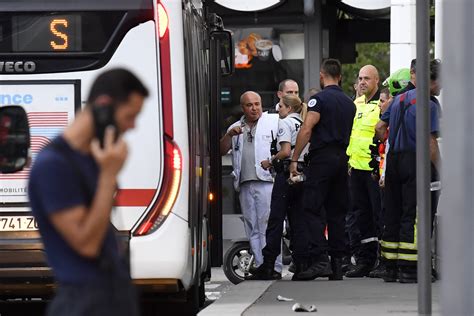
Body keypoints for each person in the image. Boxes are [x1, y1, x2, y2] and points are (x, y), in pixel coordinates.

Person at [28, 68, 149, 316]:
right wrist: (108, 176)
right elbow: (86, 244)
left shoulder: (94, 158)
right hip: (84, 303)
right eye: (130, 116)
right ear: (104, 106)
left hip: (110, 297)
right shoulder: (53, 166)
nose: (132, 126)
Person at [375, 60, 441, 283]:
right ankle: (410, 268)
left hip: (394, 160)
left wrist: (393, 141)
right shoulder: (429, 104)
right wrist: (441, 168)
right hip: (416, 160)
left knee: (392, 212)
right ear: (432, 80)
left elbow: (379, 128)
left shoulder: (397, 100)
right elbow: (430, 141)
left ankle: (390, 267)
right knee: (414, 214)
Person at [289, 59, 356, 281]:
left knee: (311, 207)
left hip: (323, 158)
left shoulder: (318, 100)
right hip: (341, 158)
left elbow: (307, 130)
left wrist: (294, 159)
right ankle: (337, 263)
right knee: (337, 211)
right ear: (340, 76)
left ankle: (320, 260)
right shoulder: (350, 103)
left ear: (322, 75)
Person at [246, 94, 308, 280]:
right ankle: (302, 264)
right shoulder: (303, 124)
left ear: (289, 108)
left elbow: (286, 151)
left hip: (286, 174)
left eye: (280, 105)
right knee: (297, 221)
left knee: (275, 221)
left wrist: (270, 161)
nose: (277, 108)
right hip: (302, 174)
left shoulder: (285, 123)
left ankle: (268, 266)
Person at [220, 91, 281, 273]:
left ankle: (275, 266)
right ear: (242, 107)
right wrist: (229, 135)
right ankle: (262, 265)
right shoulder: (236, 127)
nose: (254, 108)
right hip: (245, 183)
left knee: (267, 224)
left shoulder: (272, 122)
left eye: (257, 104)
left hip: (266, 181)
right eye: (249, 105)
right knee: (252, 226)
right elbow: (220, 150)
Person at [344, 65, 383, 278]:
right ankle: (365, 261)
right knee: (361, 216)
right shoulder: (357, 103)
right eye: (360, 78)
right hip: (356, 169)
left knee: (379, 215)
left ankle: (382, 259)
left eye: (367, 78)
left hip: (373, 169)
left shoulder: (382, 103)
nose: (362, 82)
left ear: (376, 80)